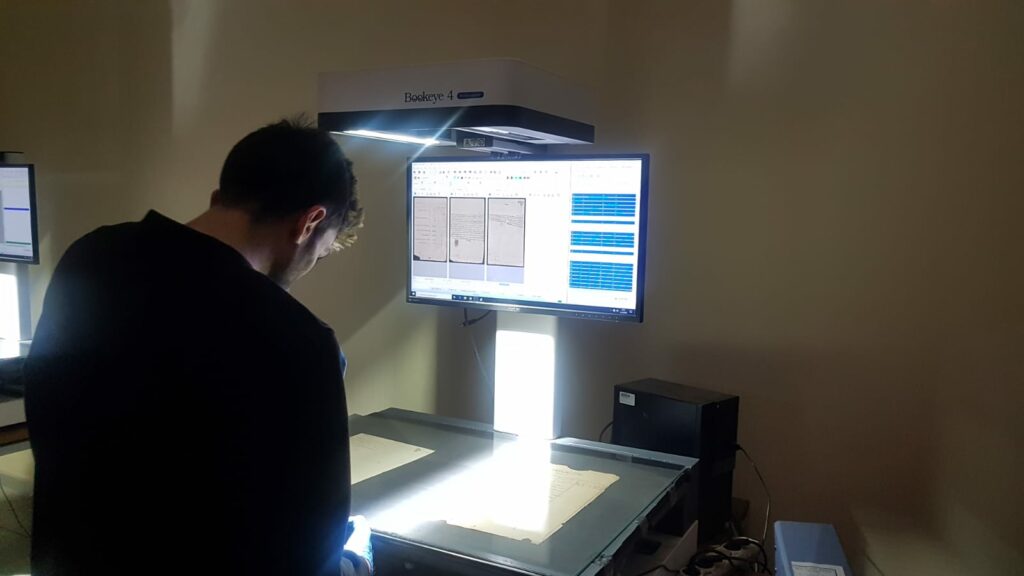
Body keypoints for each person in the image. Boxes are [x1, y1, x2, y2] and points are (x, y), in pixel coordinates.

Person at [24, 118, 372, 575]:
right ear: (309, 222)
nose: (309, 265)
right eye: (319, 254)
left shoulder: (89, 257)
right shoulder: (298, 341)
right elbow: (306, 558)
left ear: (218, 197)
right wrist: (355, 560)